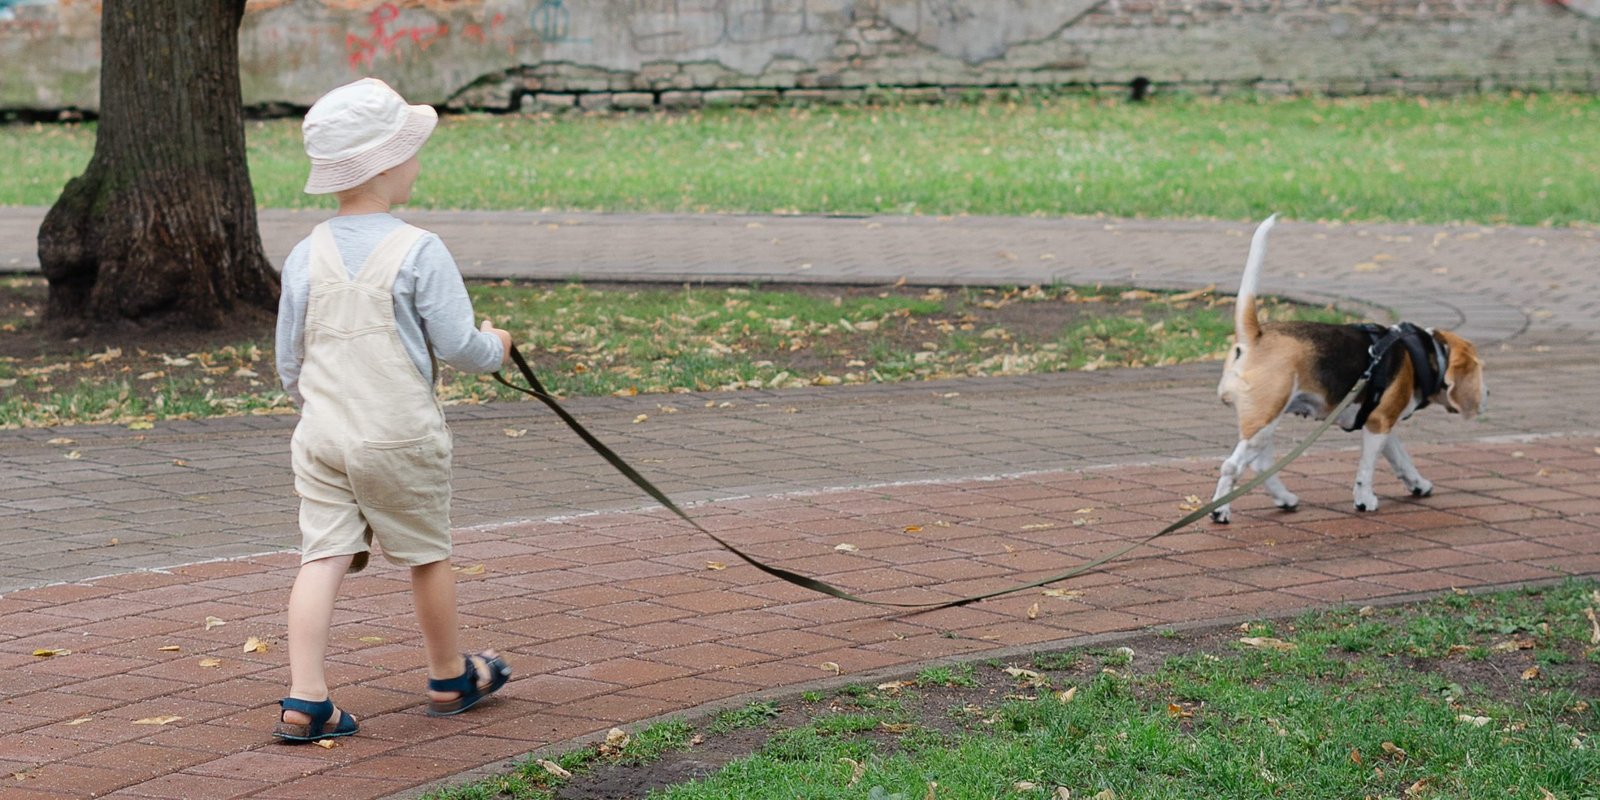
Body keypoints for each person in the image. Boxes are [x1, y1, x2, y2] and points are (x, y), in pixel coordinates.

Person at [272, 77, 514, 742]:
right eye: (411, 151)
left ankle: (306, 698)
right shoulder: (419, 249)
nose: (417, 162)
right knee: (426, 554)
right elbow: (460, 346)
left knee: (320, 557)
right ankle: (447, 674)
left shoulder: (303, 253)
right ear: (385, 164)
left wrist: (315, 408)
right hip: (399, 436)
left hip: (321, 435)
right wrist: (500, 347)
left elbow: (289, 359)